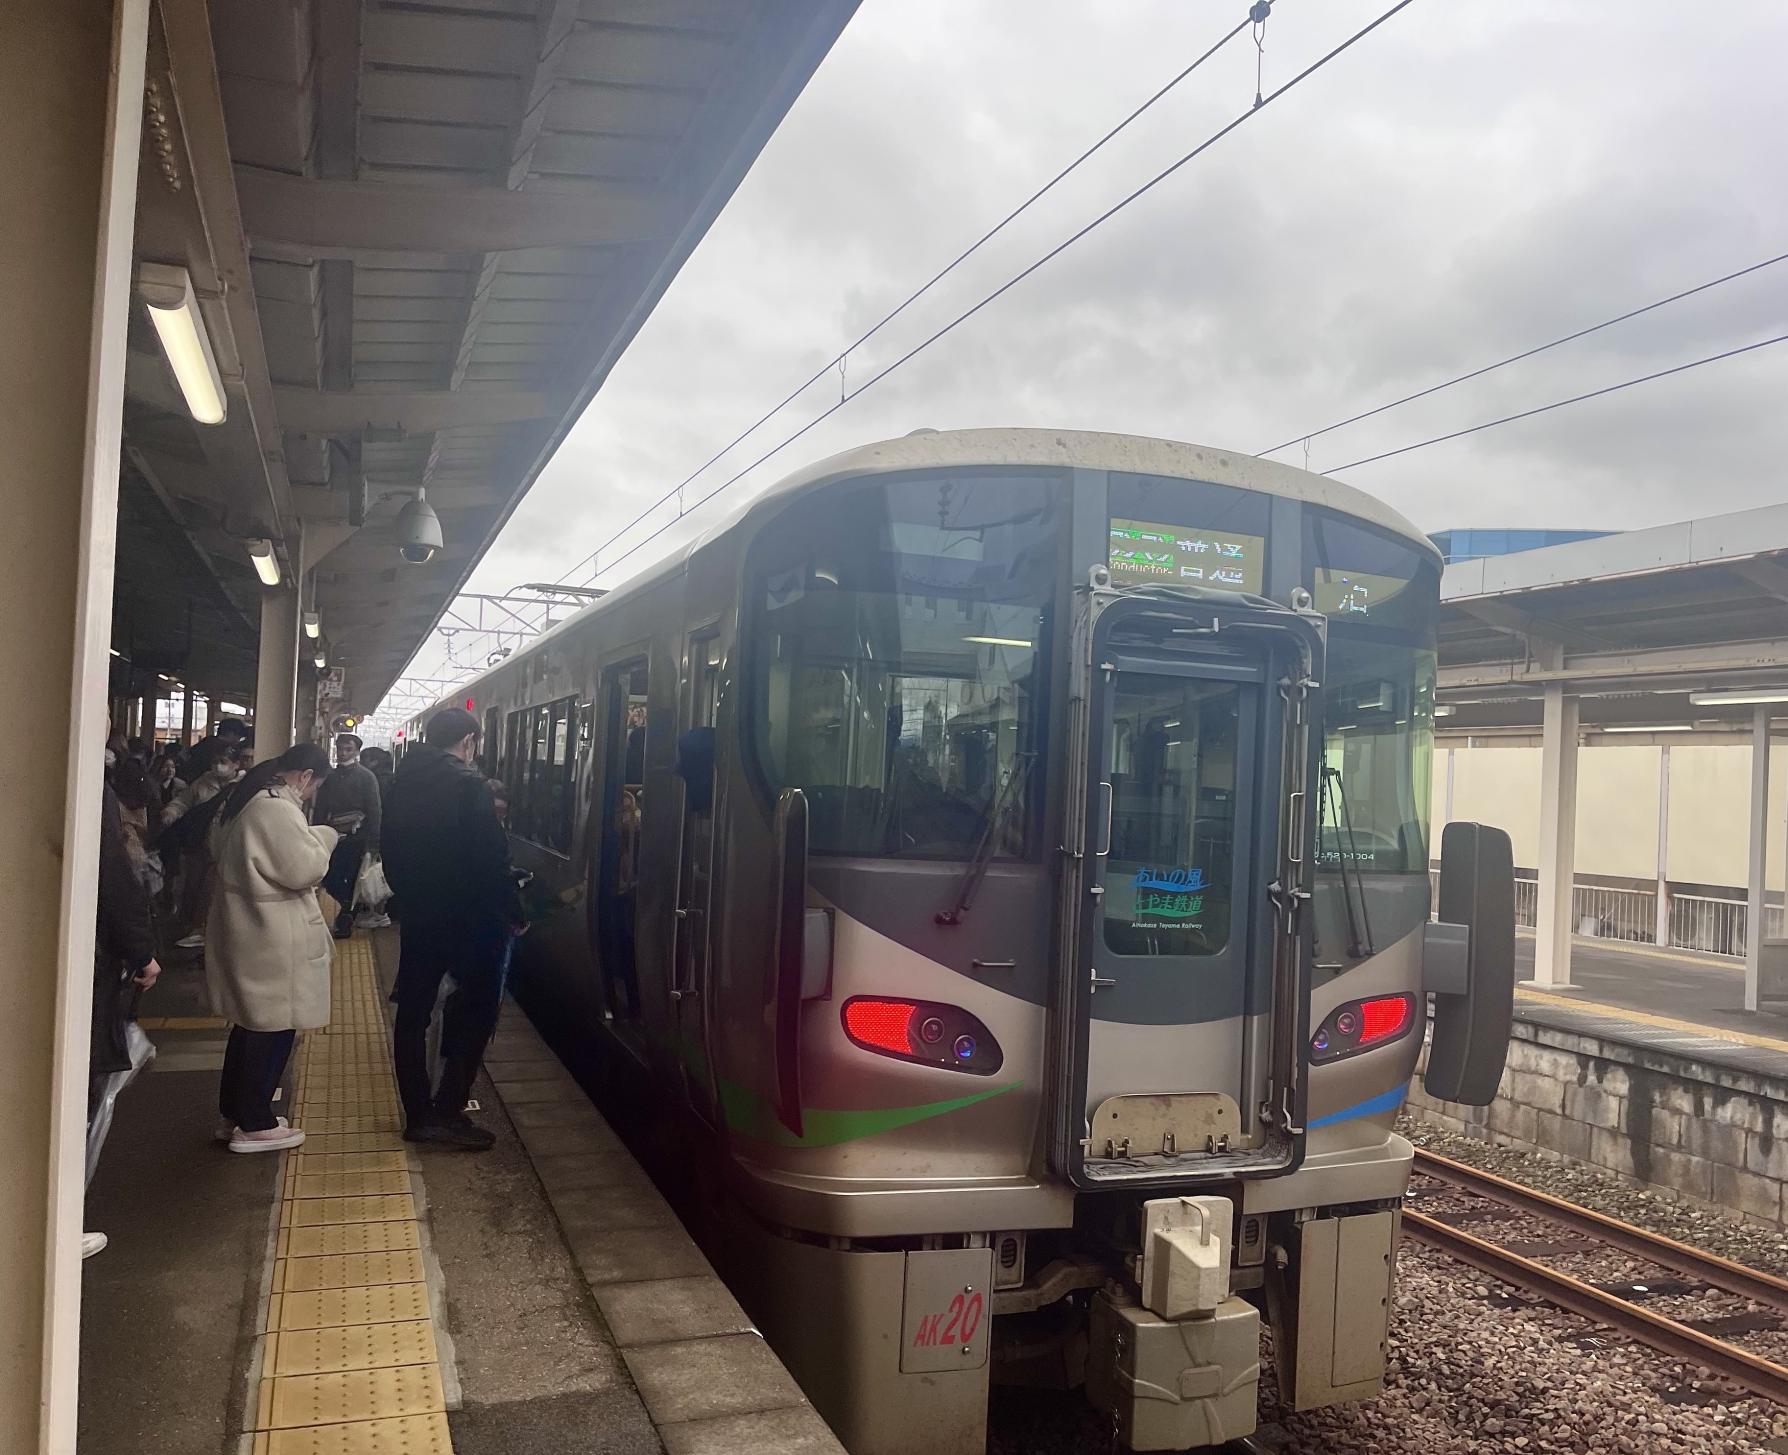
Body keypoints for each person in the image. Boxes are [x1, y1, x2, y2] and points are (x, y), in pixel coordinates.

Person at [382, 707, 524, 1150]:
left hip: (420, 914)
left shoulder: (400, 783)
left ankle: (418, 1114)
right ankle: (448, 1108)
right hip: (471, 919)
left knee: (414, 1012)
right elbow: (490, 860)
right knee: (476, 1010)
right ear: (468, 741)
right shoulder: (469, 785)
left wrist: (408, 897)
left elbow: (389, 850)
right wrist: (513, 910)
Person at [205, 743, 338, 1153]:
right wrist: (326, 838)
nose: (310, 793)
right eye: (313, 785)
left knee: (250, 1024)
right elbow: (302, 868)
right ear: (305, 776)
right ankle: (256, 1123)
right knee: (275, 1025)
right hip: (271, 934)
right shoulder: (276, 807)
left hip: (246, 925)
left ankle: (235, 1114)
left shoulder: (242, 796)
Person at [87, 778, 162, 1257]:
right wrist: (141, 952)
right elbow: (115, 880)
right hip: (87, 958)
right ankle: (54, 1211)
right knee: (79, 1083)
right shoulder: (91, 788)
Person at [160, 740, 244, 949]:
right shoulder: (203, 783)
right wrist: (171, 812)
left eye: (223, 761)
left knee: (216, 892)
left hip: (228, 850)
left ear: (236, 764)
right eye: (215, 761)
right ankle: (192, 927)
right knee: (193, 887)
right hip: (200, 847)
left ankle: (210, 932)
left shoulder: (244, 787)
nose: (218, 766)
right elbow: (183, 801)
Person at [314, 732, 382, 939]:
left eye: (348, 749)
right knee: (329, 876)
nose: (343, 753)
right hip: (332, 835)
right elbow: (320, 807)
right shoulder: (330, 777)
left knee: (352, 878)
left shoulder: (366, 777)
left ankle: (345, 919)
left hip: (357, 838)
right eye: (340, 749)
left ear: (357, 751)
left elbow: (374, 809)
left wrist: (374, 841)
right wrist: (315, 831)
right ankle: (346, 907)